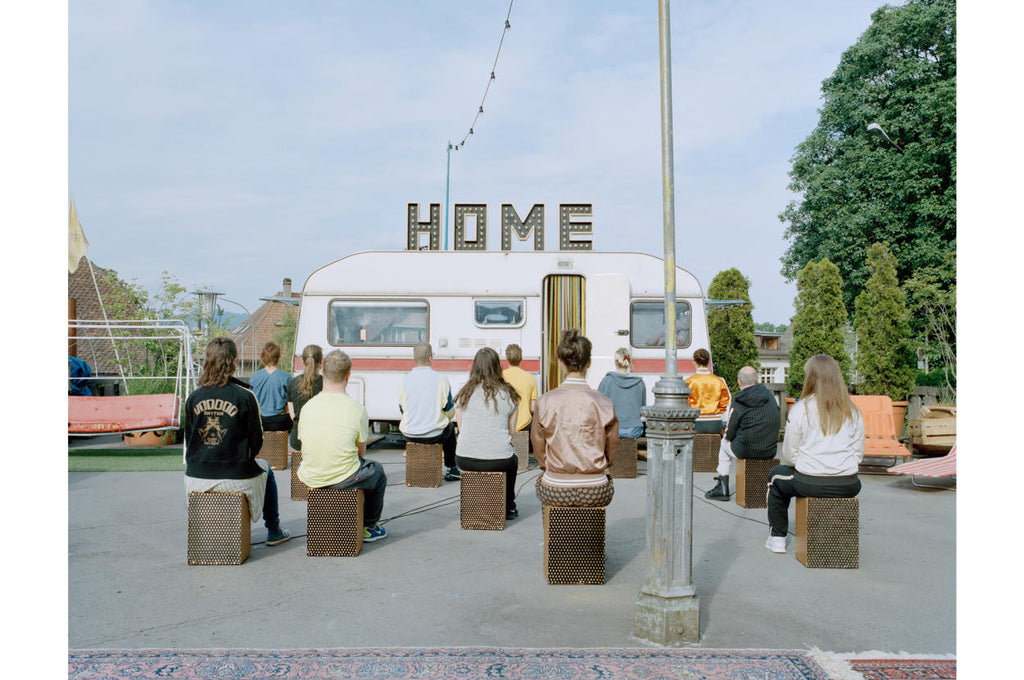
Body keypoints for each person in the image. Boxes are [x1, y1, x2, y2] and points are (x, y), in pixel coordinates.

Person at [184, 337, 290, 547]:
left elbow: (190, 440)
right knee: (267, 469)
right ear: (233, 362)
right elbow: (257, 442)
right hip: (236, 476)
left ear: (208, 360)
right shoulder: (245, 396)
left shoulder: (193, 398)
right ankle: (273, 530)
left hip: (196, 477)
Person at [765, 354, 864, 554]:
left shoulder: (801, 409)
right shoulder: (853, 410)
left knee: (775, 477)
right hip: (848, 484)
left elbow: (789, 452)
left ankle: (777, 538)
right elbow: (857, 452)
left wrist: (804, 465)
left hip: (809, 481)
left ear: (810, 377)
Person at [298, 350, 388, 542]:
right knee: (377, 471)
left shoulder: (308, 408)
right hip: (343, 477)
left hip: (311, 476)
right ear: (348, 376)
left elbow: (304, 444)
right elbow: (360, 454)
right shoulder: (357, 409)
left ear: (322, 372)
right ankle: (369, 526)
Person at [531, 329, 618, 507]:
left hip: (556, 487)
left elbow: (538, 446)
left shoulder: (545, 401)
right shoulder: (604, 402)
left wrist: (547, 466)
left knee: (544, 483)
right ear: (589, 363)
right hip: (595, 489)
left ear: (561, 363)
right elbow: (611, 445)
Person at [454, 347, 521, 519]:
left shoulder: (463, 394)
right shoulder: (510, 395)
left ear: (474, 367)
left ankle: (476, 505)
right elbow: (512, 433)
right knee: (513, 458)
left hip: (464, 458)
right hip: (499, 460)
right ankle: (508, 506)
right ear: (498, 367)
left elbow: (461, 430)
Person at [705, 365, 781, 500]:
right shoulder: (769, 396)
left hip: (745, 450)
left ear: (739, 382)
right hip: (770, 450)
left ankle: (722, 486)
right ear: (757, 380)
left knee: (724, 443)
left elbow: (729, 432)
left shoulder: (739, 400)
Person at [399, 342, 460, 481]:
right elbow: (448, 408)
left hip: (409, 434)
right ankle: (452, 468)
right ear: (430, 358)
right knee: (449, 428)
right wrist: (445, 417)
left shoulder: (405, 379)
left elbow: (402, 409)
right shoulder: (441, 379)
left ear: (414, 358)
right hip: (435, 434)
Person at [597, 347, 646, 439]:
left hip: (612, 430)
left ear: (615, 362)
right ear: (629, 361)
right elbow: (642, 407)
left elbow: (598, 406)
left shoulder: (606, 381)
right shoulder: (640, 382)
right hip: (634, 430)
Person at [248, 341, 293, 433]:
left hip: (260, 421)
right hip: (279, 421)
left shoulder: (255, 377)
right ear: (278, 357)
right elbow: (289, 403)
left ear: (262, 357)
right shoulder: (286, 377)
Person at [685, 348, 731, 434]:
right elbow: (725, 401)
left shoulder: (688, 381)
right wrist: (718, 411)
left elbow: (685, 402)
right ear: (708, 361)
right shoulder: (719, 381)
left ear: (694, 362)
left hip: (696, 422)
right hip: (715, 422)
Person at [287, 344, 323, 452]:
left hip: (298, 439)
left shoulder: (293, 383)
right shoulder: (325, 384)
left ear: (303, 361)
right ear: (321, 361)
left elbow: (292, 415)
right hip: (320, 439)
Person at [502, 343, 538, 438]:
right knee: (520, 452)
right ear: (521, 358)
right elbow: (533, 407)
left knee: (504, 452)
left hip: (504, 425)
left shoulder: (500, 376)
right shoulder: (530, 378)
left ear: (507, 358)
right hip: (523, 425)